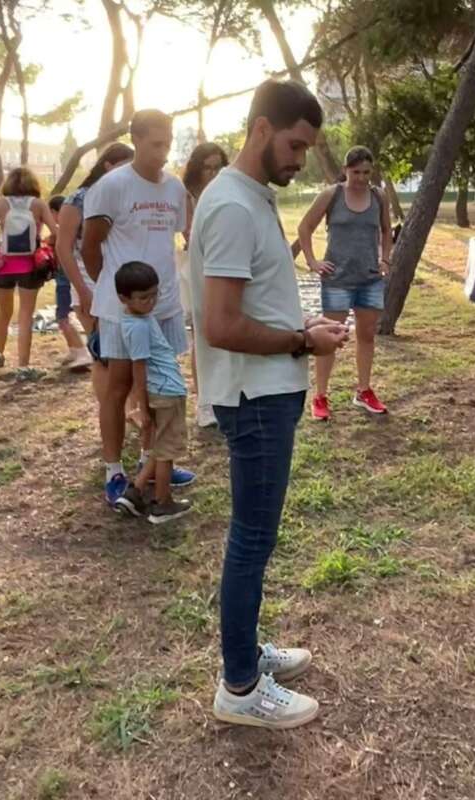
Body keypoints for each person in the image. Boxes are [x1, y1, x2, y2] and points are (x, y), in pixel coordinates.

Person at [189, 79, 349, 729]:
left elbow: (248, 301)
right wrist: (301, 341)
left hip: (266, 390)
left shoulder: (248, 196)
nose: (301, 160)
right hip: (253, 396)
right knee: (252, 539)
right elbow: (221, 324)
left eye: (307, 149)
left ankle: (247, 651)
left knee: (256, 536)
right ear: (260, 129)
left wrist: (300, 329)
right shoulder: (231, 205)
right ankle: (240, 686)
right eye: (294, 145)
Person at [81, 111, 195, 508]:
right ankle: (114, 470)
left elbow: (177, 235)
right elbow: (90, 247)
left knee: (163, 385)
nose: (163, 153)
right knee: (119, 387)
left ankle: (155, 462)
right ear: (136, 141)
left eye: (168, 144)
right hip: (123, 310)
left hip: (164, 305)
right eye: (155, 144)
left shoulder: (174, 188)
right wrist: (114, 294)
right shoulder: (112, 186)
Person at [297, 145, 393, 421]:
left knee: (367, 335)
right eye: (356, 172)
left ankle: (363, 391)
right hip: (337, 279)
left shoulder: (378, 196)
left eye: (366, 172)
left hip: (369, 279)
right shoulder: (332, 195)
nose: (361, 178)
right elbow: (305, 227)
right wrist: (313, 261)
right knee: (330, 337)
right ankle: (320, 395)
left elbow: (386, 230)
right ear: (345, 170)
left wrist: (385, 260)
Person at [112, 262, 193, 524]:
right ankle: (162, 503)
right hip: (165, 392)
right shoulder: (138, 327)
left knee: (159, 447)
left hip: (163, 390)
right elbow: (138, 367)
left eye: (154, 295)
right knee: (167, 452)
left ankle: (134, 492)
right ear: (124, 298)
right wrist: (142, 406)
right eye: (143, 297)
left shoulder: (138, 318)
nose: (151, 302)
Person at [55, 142, 134, 405]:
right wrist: (83, 290)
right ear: (107, 165)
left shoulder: (128, 196)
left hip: (122, 281)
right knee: (103, 354)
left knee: (129, 353)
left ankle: (130, 410)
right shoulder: (79, 199)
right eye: (123, 166)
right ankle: (109, 411)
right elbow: (63, 248)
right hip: (89, 282)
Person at [0, 167, 57, 380]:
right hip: (30, 267)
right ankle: (23, 366)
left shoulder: (1, 204)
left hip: (3, 266)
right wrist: (44, 244)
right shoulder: (38, 204)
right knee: (25, 316)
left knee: (3, 313)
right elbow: (56, 232)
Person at [180, 142, 228, 428]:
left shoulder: (230, 191)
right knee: (203, 333)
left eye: (217, 167)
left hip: (227, 265)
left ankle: (224, 394)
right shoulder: (189, 196)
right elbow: (189, 232)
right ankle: (204, 401)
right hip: (200, 266)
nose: (212, 173)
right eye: (207, 168)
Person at [48, 195, 92, 370]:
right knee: (69, 313)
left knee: (64, 315)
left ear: (55, 212)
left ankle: (83, 353)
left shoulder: (64, 232)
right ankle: (75, 350)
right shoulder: (76, 228)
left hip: (67, 278)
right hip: (70, 277)